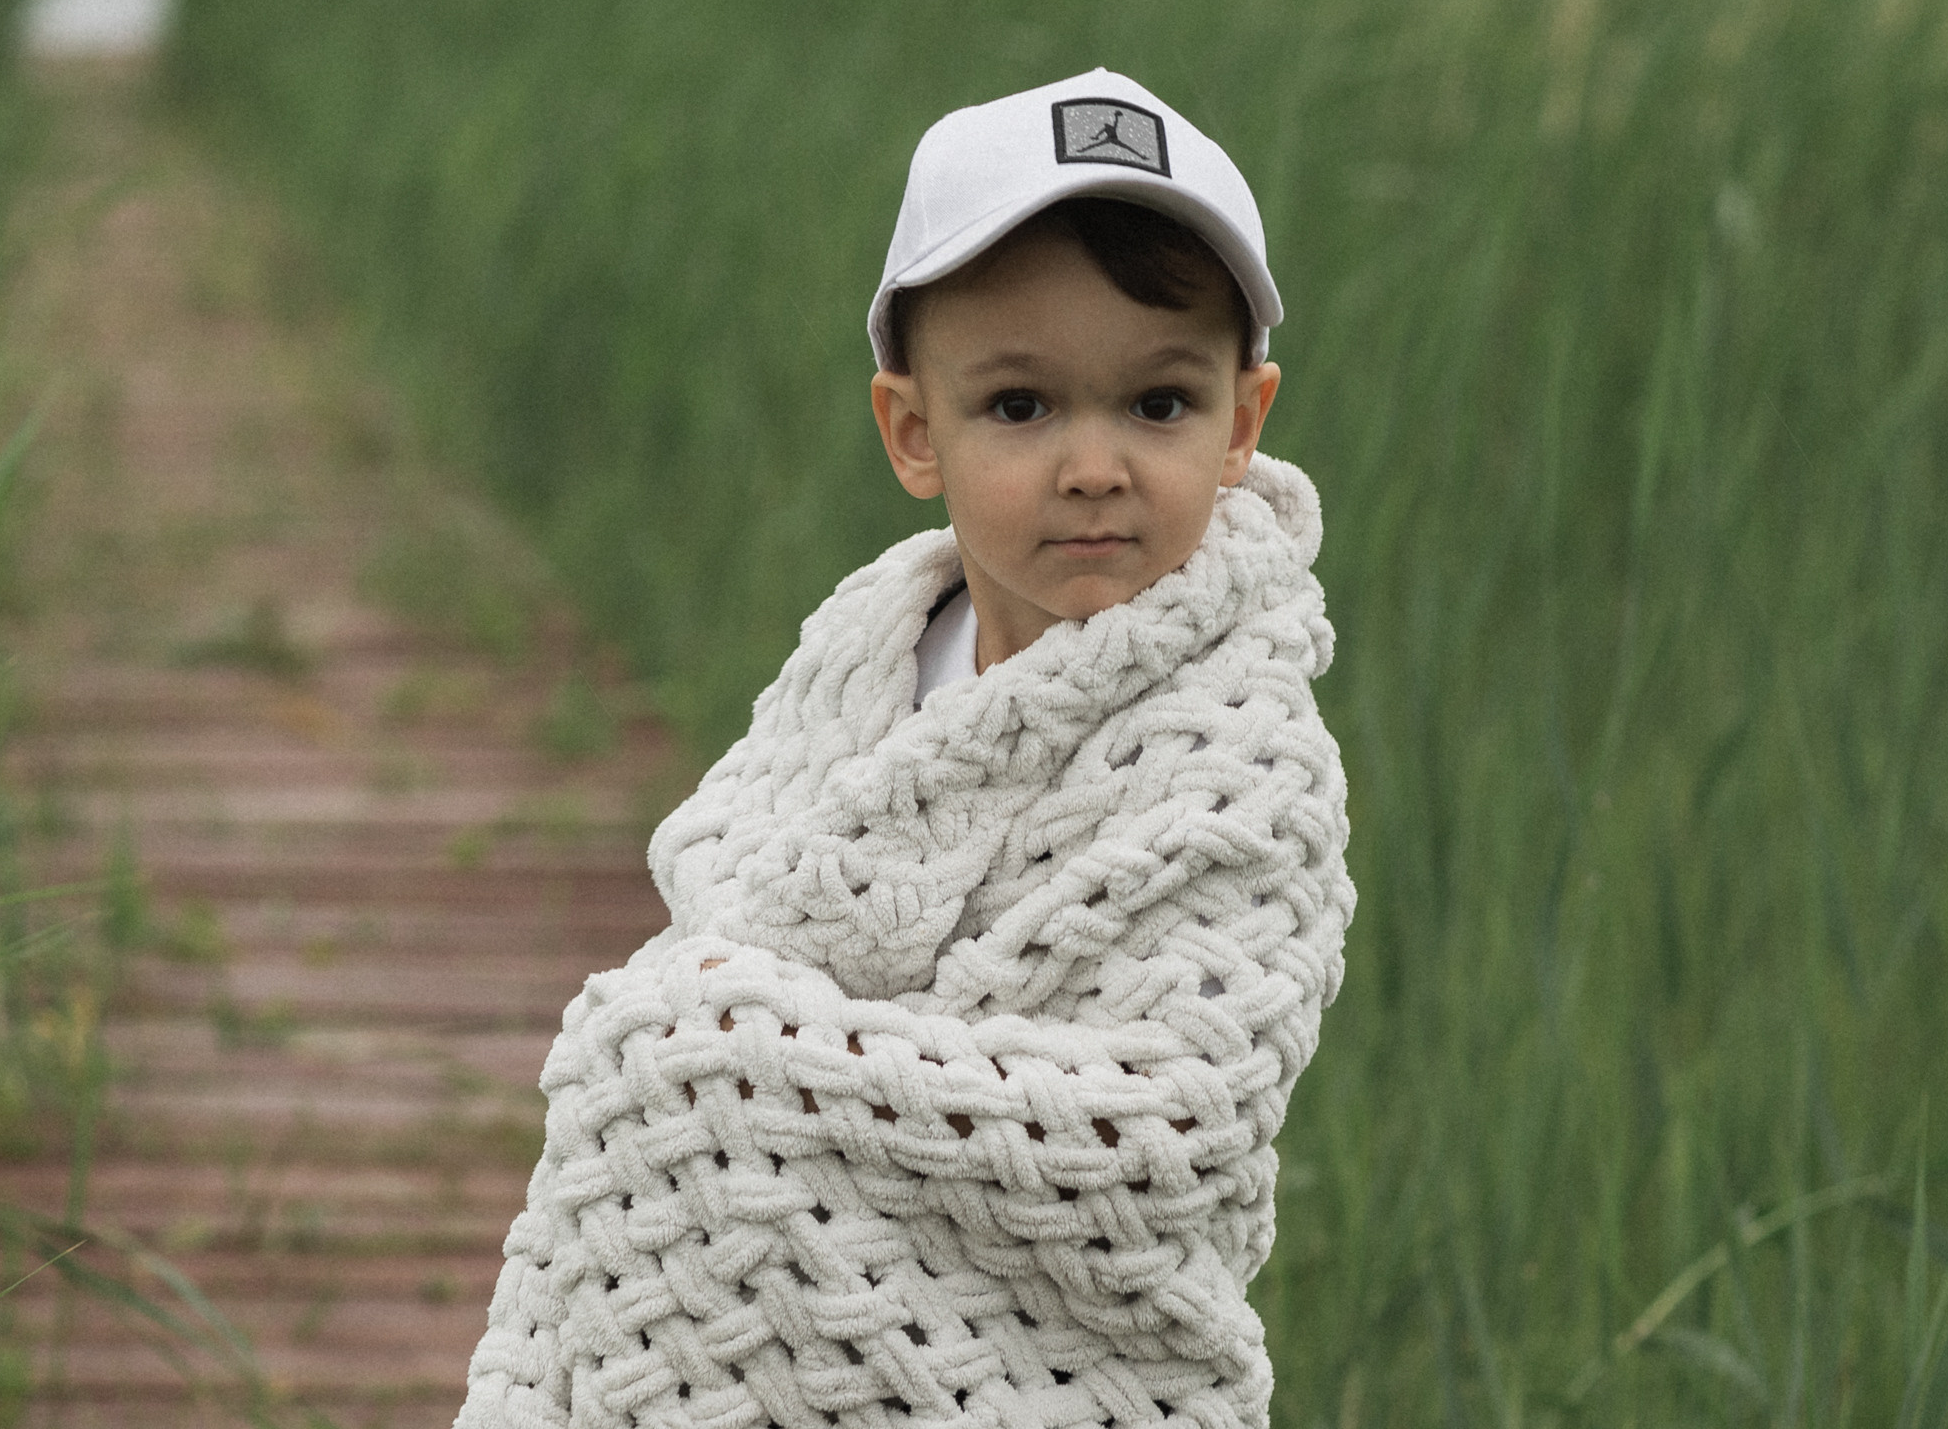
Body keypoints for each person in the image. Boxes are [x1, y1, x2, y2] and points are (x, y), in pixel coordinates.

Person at [456, 69, 1357, 1429]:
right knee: (652, 1082)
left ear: (1242, 420)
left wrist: (744, 1052)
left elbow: (1177, 1118)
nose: (1096, 464)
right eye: (1022, 408)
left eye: (1158, 405)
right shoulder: (871, 655)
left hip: (1047, 1347)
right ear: (912, 432)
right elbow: (742, 905)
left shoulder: (1241, 750)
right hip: (793, 1272)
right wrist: (725, 1041)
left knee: (674, 1062)